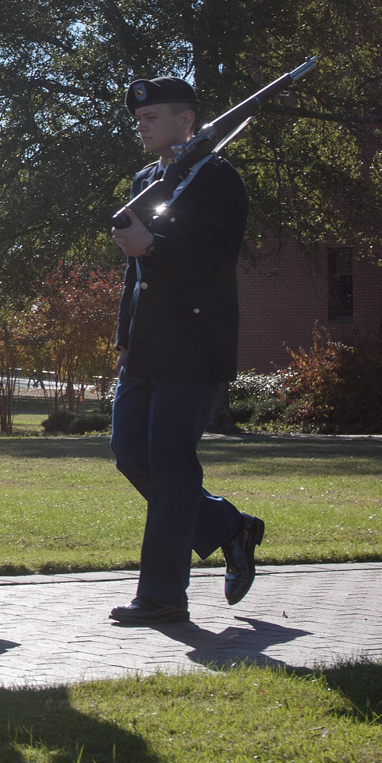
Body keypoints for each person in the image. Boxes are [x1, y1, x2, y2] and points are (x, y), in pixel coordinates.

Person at [106, 76, 265, 626]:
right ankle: (226, 526)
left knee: (173, 470)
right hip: (147, 346)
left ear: (186, 121)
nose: (141, 125)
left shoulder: (217, 180)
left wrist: (155, 246)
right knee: (130, 453)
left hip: (193, 346)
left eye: (153, 117)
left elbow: (215, 263)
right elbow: (135, 274)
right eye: (139, 118)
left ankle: (163, 594)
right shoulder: (149, 179)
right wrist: (125, 337)